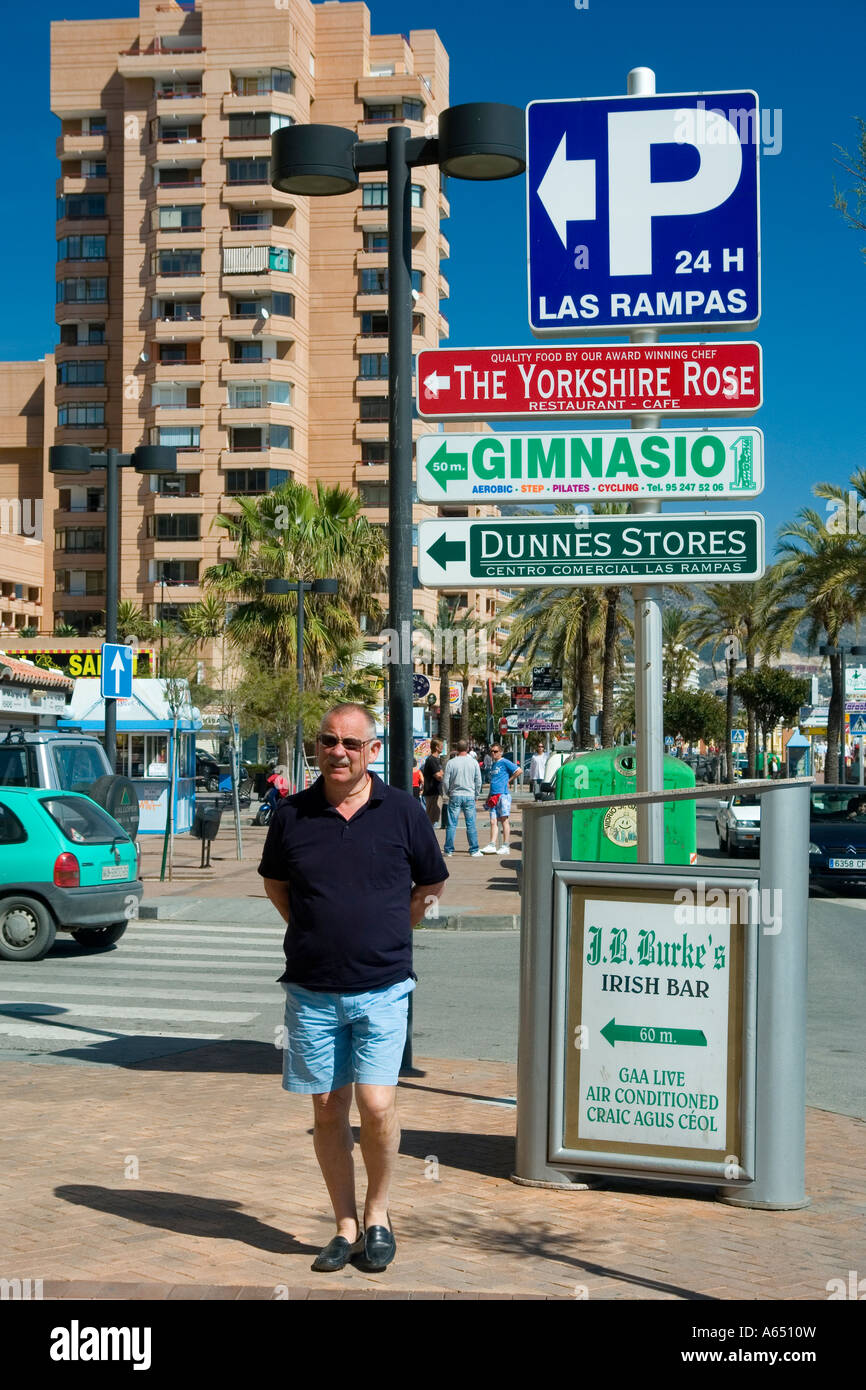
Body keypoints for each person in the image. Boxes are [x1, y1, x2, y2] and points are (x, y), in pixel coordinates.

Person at [258, 703, 447, 1275]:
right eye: (328, 741)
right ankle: (343, 1226)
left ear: (372, 751)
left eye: (351, 743)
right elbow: (276, 886)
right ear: (318, 747)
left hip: (384, 987)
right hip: (311, 991)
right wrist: (317, 931)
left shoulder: (403, 811)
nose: (338, 751)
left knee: (377, 1102)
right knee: (327, 1106)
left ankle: (379, 1216)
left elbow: (431, 884)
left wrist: (394, 931)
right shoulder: (291, 814)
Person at [442, 739, 483, 857]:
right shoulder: (473, 762)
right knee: (471, 823)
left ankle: (448, 850)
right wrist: (476, 794)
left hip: (455, 794)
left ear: (457, 749)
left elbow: (446, 781)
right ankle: (474, 849)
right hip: (469, 795)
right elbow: (478, 781)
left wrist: (448, 792)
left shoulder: (451, 762)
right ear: (467, 749)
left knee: (451, 824)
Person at [481, 742, 521, 855]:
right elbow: (493, 782)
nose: (493, 753)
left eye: (495, 751)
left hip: (503, 795)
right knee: (493, 821)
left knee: (504, 820)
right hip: (493, 796)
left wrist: (509, 780)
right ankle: (492, 844)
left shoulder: (504, 762)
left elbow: (519, 770)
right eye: (491, 751)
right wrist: (488, 797)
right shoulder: (493, 765)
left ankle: (505, 845)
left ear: (500, 752)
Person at [421, 738, 444, 826]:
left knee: (434, 819)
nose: (442, 748)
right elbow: (439, 776)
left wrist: (441, 773)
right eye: (441, 746)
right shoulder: (431, 760)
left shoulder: (437, 760)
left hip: (436, 792)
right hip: (432, 793)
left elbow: (441, 773)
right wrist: (441, 774)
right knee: (431, 819)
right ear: (436, 747)